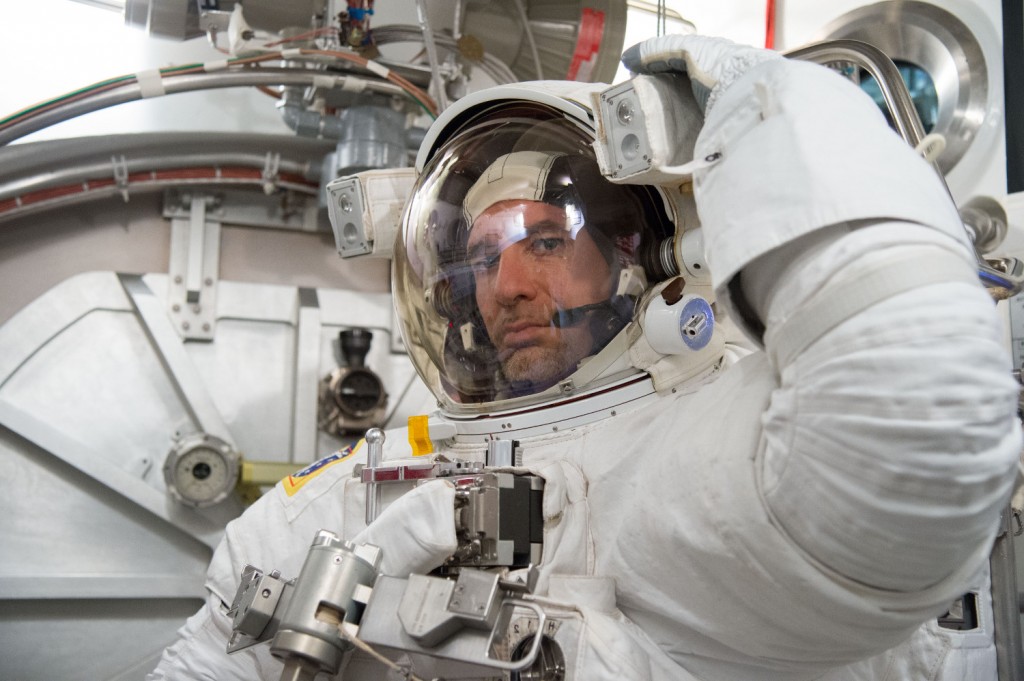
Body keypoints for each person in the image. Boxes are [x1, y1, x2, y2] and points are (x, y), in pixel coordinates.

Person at [149, 35, 1022, 681]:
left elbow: (912, 419)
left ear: (635, 253)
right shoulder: (376, 479)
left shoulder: (711, 452)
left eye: (542, 244)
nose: (505, 288)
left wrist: (769, 112)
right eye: (482, 259)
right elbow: (212, 643)